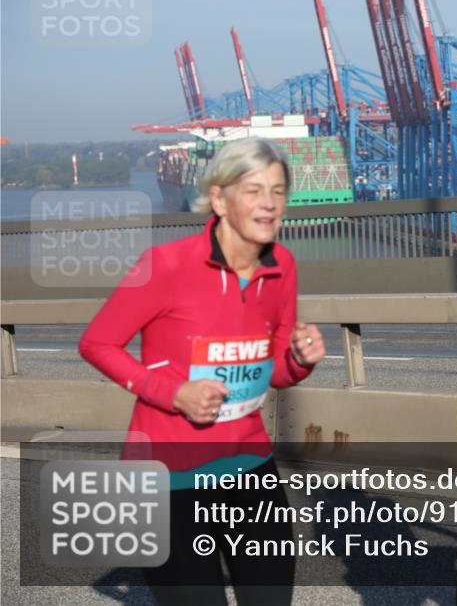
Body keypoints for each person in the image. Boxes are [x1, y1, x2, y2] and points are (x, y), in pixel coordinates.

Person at [79, 137, 326, 605]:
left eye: (278, 191)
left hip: (251, 466)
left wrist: (298, 359)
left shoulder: (283, 265)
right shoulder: (164, 265)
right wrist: (174, 394)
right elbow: (96, 343)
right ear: (218, 198)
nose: (269, 204)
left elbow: (274, 370)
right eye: (253, 190)